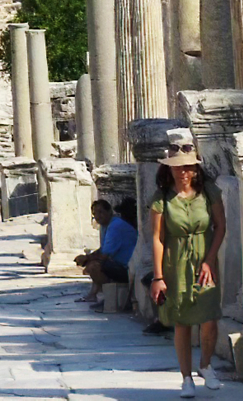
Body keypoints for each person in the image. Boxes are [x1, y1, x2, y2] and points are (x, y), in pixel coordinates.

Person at [150, 128, 227, 398]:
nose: (182, 172)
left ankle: (206, 366)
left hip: (205, 261)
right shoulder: (161, 200)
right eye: (177, 167)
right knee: (182, 322)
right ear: (169, 170)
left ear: (195, 168)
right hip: (175, 263)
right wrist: (157, 277)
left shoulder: (209, 192)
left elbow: (220, 226)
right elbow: (158, 238)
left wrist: (209, 260)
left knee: (209, 319)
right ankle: (186, 378)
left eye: (187, 167)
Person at [75, 199, 138, 305]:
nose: (98, 216)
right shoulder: (106, 226)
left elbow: (104, 255)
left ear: (109, 212)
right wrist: (88, 257)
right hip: (120, 264)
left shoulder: (115, 226)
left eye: (101, 212)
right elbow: (103, 249)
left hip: (128, 267)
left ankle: (108, 296)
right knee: (93, 264)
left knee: (94, 267)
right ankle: (93, 294)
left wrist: (87, 259)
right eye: (95, 214)